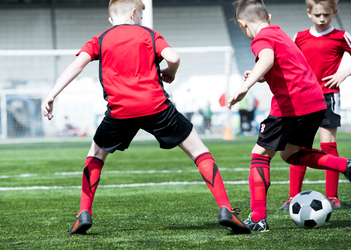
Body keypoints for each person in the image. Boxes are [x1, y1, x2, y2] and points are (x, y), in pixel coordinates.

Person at [42, 0, 250, 235]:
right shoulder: (149, 34)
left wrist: (52, 95)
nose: (141, 19)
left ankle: (83, 214)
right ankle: (225, 208)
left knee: (95, 155)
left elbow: (76, 66)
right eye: (141, 15)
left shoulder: (99, 39)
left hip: (119, 112)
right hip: (157, 107)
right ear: (134, 13)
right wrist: (169, 73)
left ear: (111, 19)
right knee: (199, 151)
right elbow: (174, 57)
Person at [229, 0, 351, 232]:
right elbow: (285, 65)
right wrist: (263, 76)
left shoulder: (261, 39)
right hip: (315, 101)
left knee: (259, 155)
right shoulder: (279, 33)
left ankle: (257, 219)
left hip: (293, 104)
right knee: (291, 154)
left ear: (243, 24)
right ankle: (346, 165)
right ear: (269, 18)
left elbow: (266, 59)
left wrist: (246, 86)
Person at [280, 0, 351, 211]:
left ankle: (332, 197)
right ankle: (293, 196)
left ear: (334, 13)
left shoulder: (341, 36)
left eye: (327, 15)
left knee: (327, 143)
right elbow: (286, 60)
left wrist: (344, 72)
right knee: (298, 146)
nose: (322, 19)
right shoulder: (299, 37)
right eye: (318, 15)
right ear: (309, 13)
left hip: (329, 96)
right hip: (303, 98)